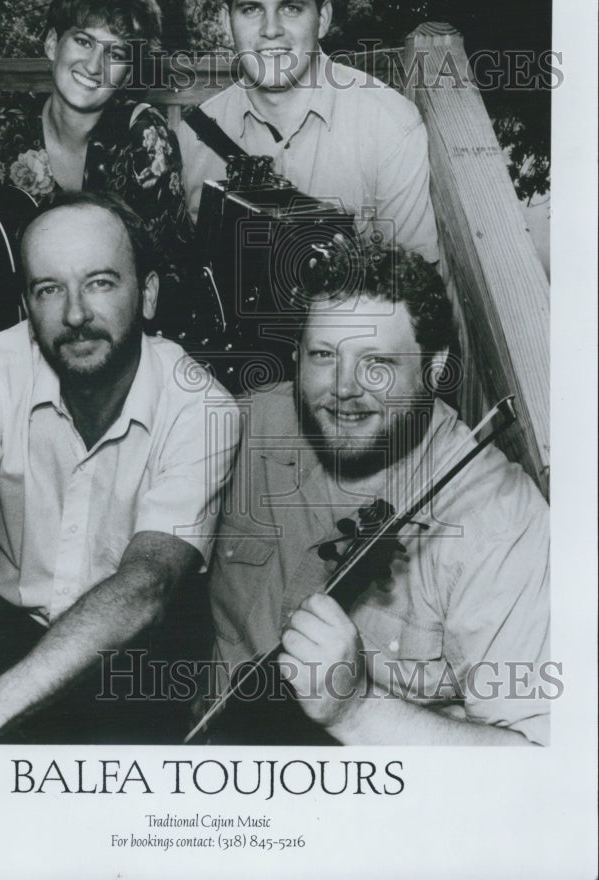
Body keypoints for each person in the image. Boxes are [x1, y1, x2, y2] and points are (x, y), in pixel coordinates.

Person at [0, 192, 239, 744]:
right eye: (49, 289)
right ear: (27, 305)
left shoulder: (202, 406)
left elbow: (146, 583)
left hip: (123, 656)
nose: (74, 314)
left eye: (100, 282)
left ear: (147, 295)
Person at [208, 237, 550, 745]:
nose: (344, 387)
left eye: (377, 363)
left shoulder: (502, 521)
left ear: (434, 368)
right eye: (324, 355)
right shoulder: (248, 424)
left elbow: (540, 770)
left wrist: (357, 708)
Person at [0, 0, 193, 340]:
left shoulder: (143, 138)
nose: (94, 66)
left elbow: (167, 277)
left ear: (127, 73)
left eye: (116, 53)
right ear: (51, 45)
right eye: (84, 41)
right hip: (4, 344)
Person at [176, 0, 440, 264]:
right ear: (228, 23)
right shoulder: (189, 143)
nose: (271, 30)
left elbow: (415, 293)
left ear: (324, 18)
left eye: (291, 8)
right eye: (251, 9)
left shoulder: (390, 127)